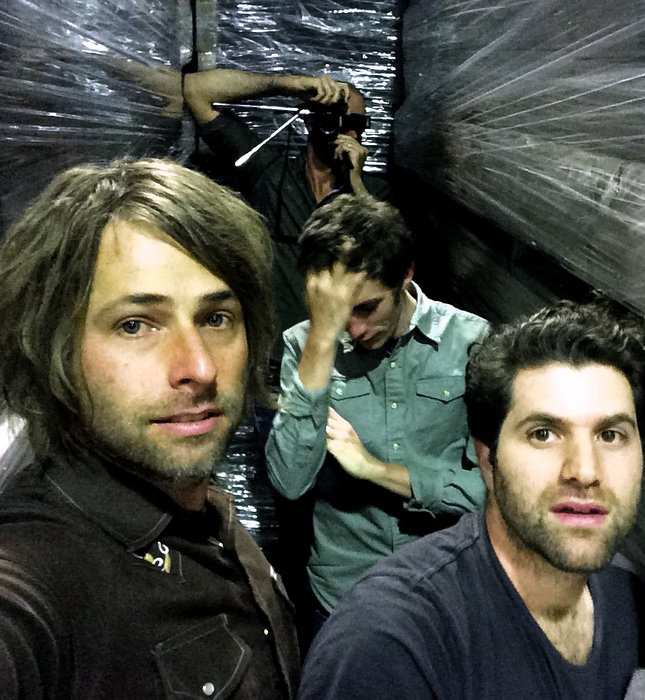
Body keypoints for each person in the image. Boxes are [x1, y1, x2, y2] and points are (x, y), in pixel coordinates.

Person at [0, 158, 299, 698]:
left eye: (215, 318)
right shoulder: (37, 569)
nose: (200, 368)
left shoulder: (201, 505)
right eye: (136, 325)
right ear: (52, 347)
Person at [298, 299, 645, 699]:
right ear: (487, 461)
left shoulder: (626, 599)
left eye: (610, 435)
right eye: (543, 434)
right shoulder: (388, 645)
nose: (584, 471)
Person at [265, 194, 489, 640]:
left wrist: (376, 470)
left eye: (367, 307)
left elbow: (495, 491)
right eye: (336, 312)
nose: (353, 329)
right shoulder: (305, 346)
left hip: (445, 585)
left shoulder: (469, 341)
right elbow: (289, 480)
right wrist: (320, 343)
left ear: (406, 274)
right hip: (345, 595)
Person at [183, 68, 391, 361]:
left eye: (357, 124)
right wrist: (292, 85)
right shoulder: (272, 175)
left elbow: (391, 265)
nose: (350, 133)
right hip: (275, 360)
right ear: (310, 121)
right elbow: (196, 90)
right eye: (337, 120)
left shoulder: (374, 193)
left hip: (344, 364)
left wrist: (355, 183)